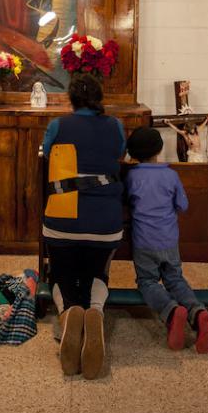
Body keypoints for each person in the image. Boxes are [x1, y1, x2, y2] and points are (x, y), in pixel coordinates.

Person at [42, 73, 126, 379]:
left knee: (60, 273)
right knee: (97, 272)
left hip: (63, 220)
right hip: (106, 223)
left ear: (71, 99)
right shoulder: (115, 125)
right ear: (99, 98)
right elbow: (119, 155)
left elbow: (48, 155)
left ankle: (69, 316)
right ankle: (95, 313)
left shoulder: (57, 126)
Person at [125, 127, 208, 353]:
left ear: (132, 152)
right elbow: (183, 206)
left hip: (144, 242)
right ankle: (199, 313)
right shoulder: (170, 174)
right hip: (169, 241)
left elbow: (126, 203)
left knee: (147, 282)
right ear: (159, 149)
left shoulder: (132, 176)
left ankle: (172, 311)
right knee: (175, 279)